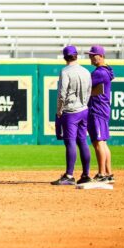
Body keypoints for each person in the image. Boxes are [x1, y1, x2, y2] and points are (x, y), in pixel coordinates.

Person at [52, 45, 93, 185]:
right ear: (76, 55)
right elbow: (89, 91)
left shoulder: (65, 71)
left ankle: (69, 176)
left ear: (65, 57)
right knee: (82, 142)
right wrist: (84, 105)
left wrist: (59, 110)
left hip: (70, 111)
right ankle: (86, 175)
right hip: (84, 109)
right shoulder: (86, 71)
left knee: (70, 142)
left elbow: (62, 94)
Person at [87, 45, 116, 183]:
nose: (91, 57)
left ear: (101, 56)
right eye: (90, 55)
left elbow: (84, 86)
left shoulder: (99, 73)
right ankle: (109, 174)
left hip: (97, 109)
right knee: (103, 142)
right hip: (102, 108)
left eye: (93, 55)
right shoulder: (106, 70)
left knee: (98, 142)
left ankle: (102, 174)